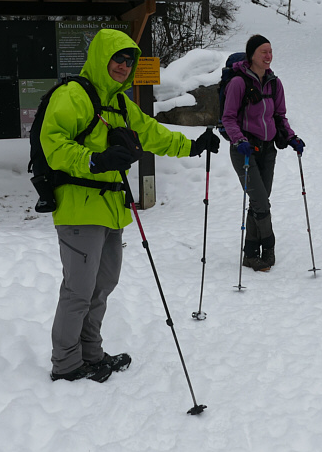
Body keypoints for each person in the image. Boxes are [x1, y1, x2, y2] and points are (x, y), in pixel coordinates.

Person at [40, 29, 219, 382]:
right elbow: (53, 144)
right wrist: (94, 160)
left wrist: (192, 146)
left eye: (129, 60)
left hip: (111, 208)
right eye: (118, 58)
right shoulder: (73, 96)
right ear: (101, 57)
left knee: (103, 284)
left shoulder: (121, 104)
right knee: (78, 290)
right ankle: (66, 363)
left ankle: (90, 352)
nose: (124, 65)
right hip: (79, 207)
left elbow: (152, 133)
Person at [221, 34, 305, 272]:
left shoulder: (274, 83)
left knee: (259, 203)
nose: (268, 56)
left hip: (267, 151)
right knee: (261, 202)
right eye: (263, 52)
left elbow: (279, 116)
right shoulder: (238, 83)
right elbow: (228, 118)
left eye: (270, 51)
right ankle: (268, 248)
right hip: (245, 151)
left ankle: (250, 253)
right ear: (252, 55)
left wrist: (291, 137)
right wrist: (239, 140)